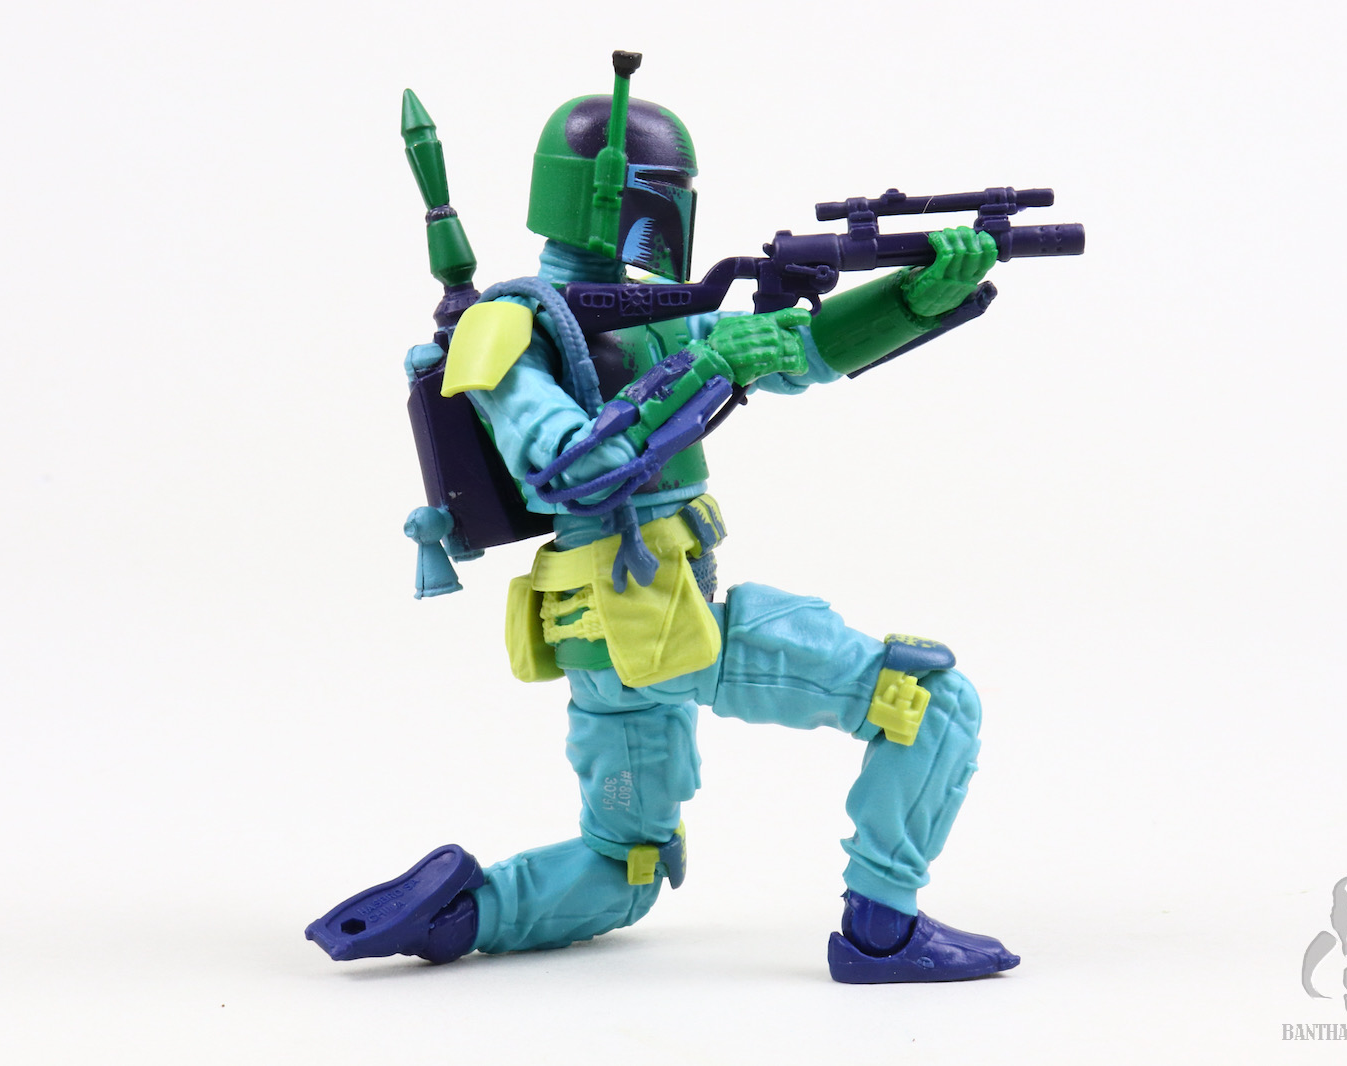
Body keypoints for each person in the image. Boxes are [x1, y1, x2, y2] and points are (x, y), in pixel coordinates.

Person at [307, 56, 1019, 984]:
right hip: (648, 620)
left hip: (633, 633)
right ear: (606, 195)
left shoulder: (657, 316)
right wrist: (705, 367)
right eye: (660, 193)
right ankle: (881, 932)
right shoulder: (509, 328)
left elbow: (801, 352)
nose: (669, 213)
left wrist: (914, 298)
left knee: (625, 870)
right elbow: (567, 469)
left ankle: (454, 914)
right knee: (925, 703)